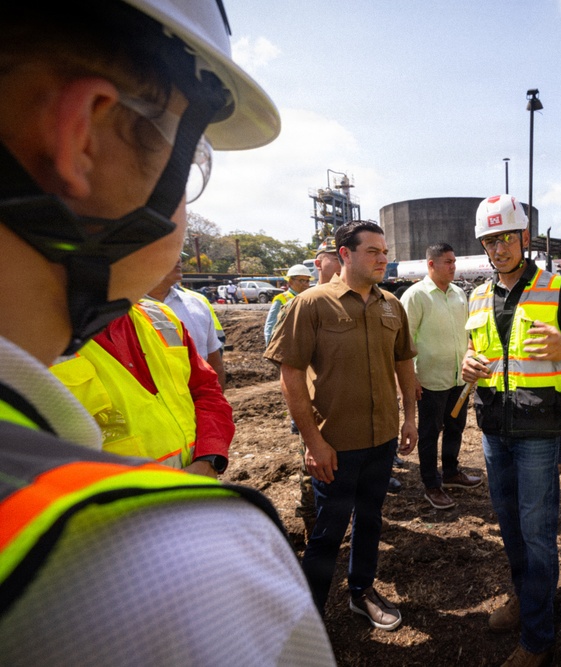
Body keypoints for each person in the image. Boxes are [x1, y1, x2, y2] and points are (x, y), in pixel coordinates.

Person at [0, 2, 335, 665]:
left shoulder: (157, 324)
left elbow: (208, 391)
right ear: (84, 136)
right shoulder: (180, 571)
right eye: (195, 164)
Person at [461, 194, 561, 667]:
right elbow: (477, 353)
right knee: (510, 526)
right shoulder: (477, 295)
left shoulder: (556, 289)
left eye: (504, 238)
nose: (497, 248)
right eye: (489, 240)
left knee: (537, 532)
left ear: (522, 238)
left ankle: (539, 639)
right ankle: (524, 598)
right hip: (493, 428)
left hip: (539, 430)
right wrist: (468, 365)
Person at [265, 220, 418, 632]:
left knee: (370, 519)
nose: (383, 258)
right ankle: (308, 620)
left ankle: (361, 592)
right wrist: (314, 443)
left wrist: (410, 418)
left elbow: (404, 361)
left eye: (385, 251)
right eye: (373, 251)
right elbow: (291, 374)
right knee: (329, 532)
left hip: (382, 438)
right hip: (335, 444)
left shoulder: (391, 304)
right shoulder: (311, 304)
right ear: (345, 254)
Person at [51, 293, 234, 477]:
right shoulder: (36, 343)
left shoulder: (162, 317)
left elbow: (207, 393)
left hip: (197, 492)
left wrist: (209, 459)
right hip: (117, 503)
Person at [401, 242, 479, 511]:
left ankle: (451, 472)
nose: (453, 266)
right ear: (431, 265)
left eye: (454, 261)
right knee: (429, 432)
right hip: (430, 380)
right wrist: (411, 376)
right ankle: (431, 485)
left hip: (458, 378)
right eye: (447, 262)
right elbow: (404, 340)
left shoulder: (459, 294)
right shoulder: (416, 295)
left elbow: (468, 334)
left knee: (455, 427)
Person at [147, 254, 227, 391]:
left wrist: (215, 408)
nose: (178, 259)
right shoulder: (118, 312)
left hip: (196, 408)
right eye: (169, 251)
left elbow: (215, 365)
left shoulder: (197, 304)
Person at [265, 264, 312, 346]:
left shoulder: (309, 298)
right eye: (301, 280)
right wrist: (269, 347)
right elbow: (271, 325)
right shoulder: (281, 299)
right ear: (290, 281)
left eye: (307, 281)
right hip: (287, 345)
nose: (305, 284)